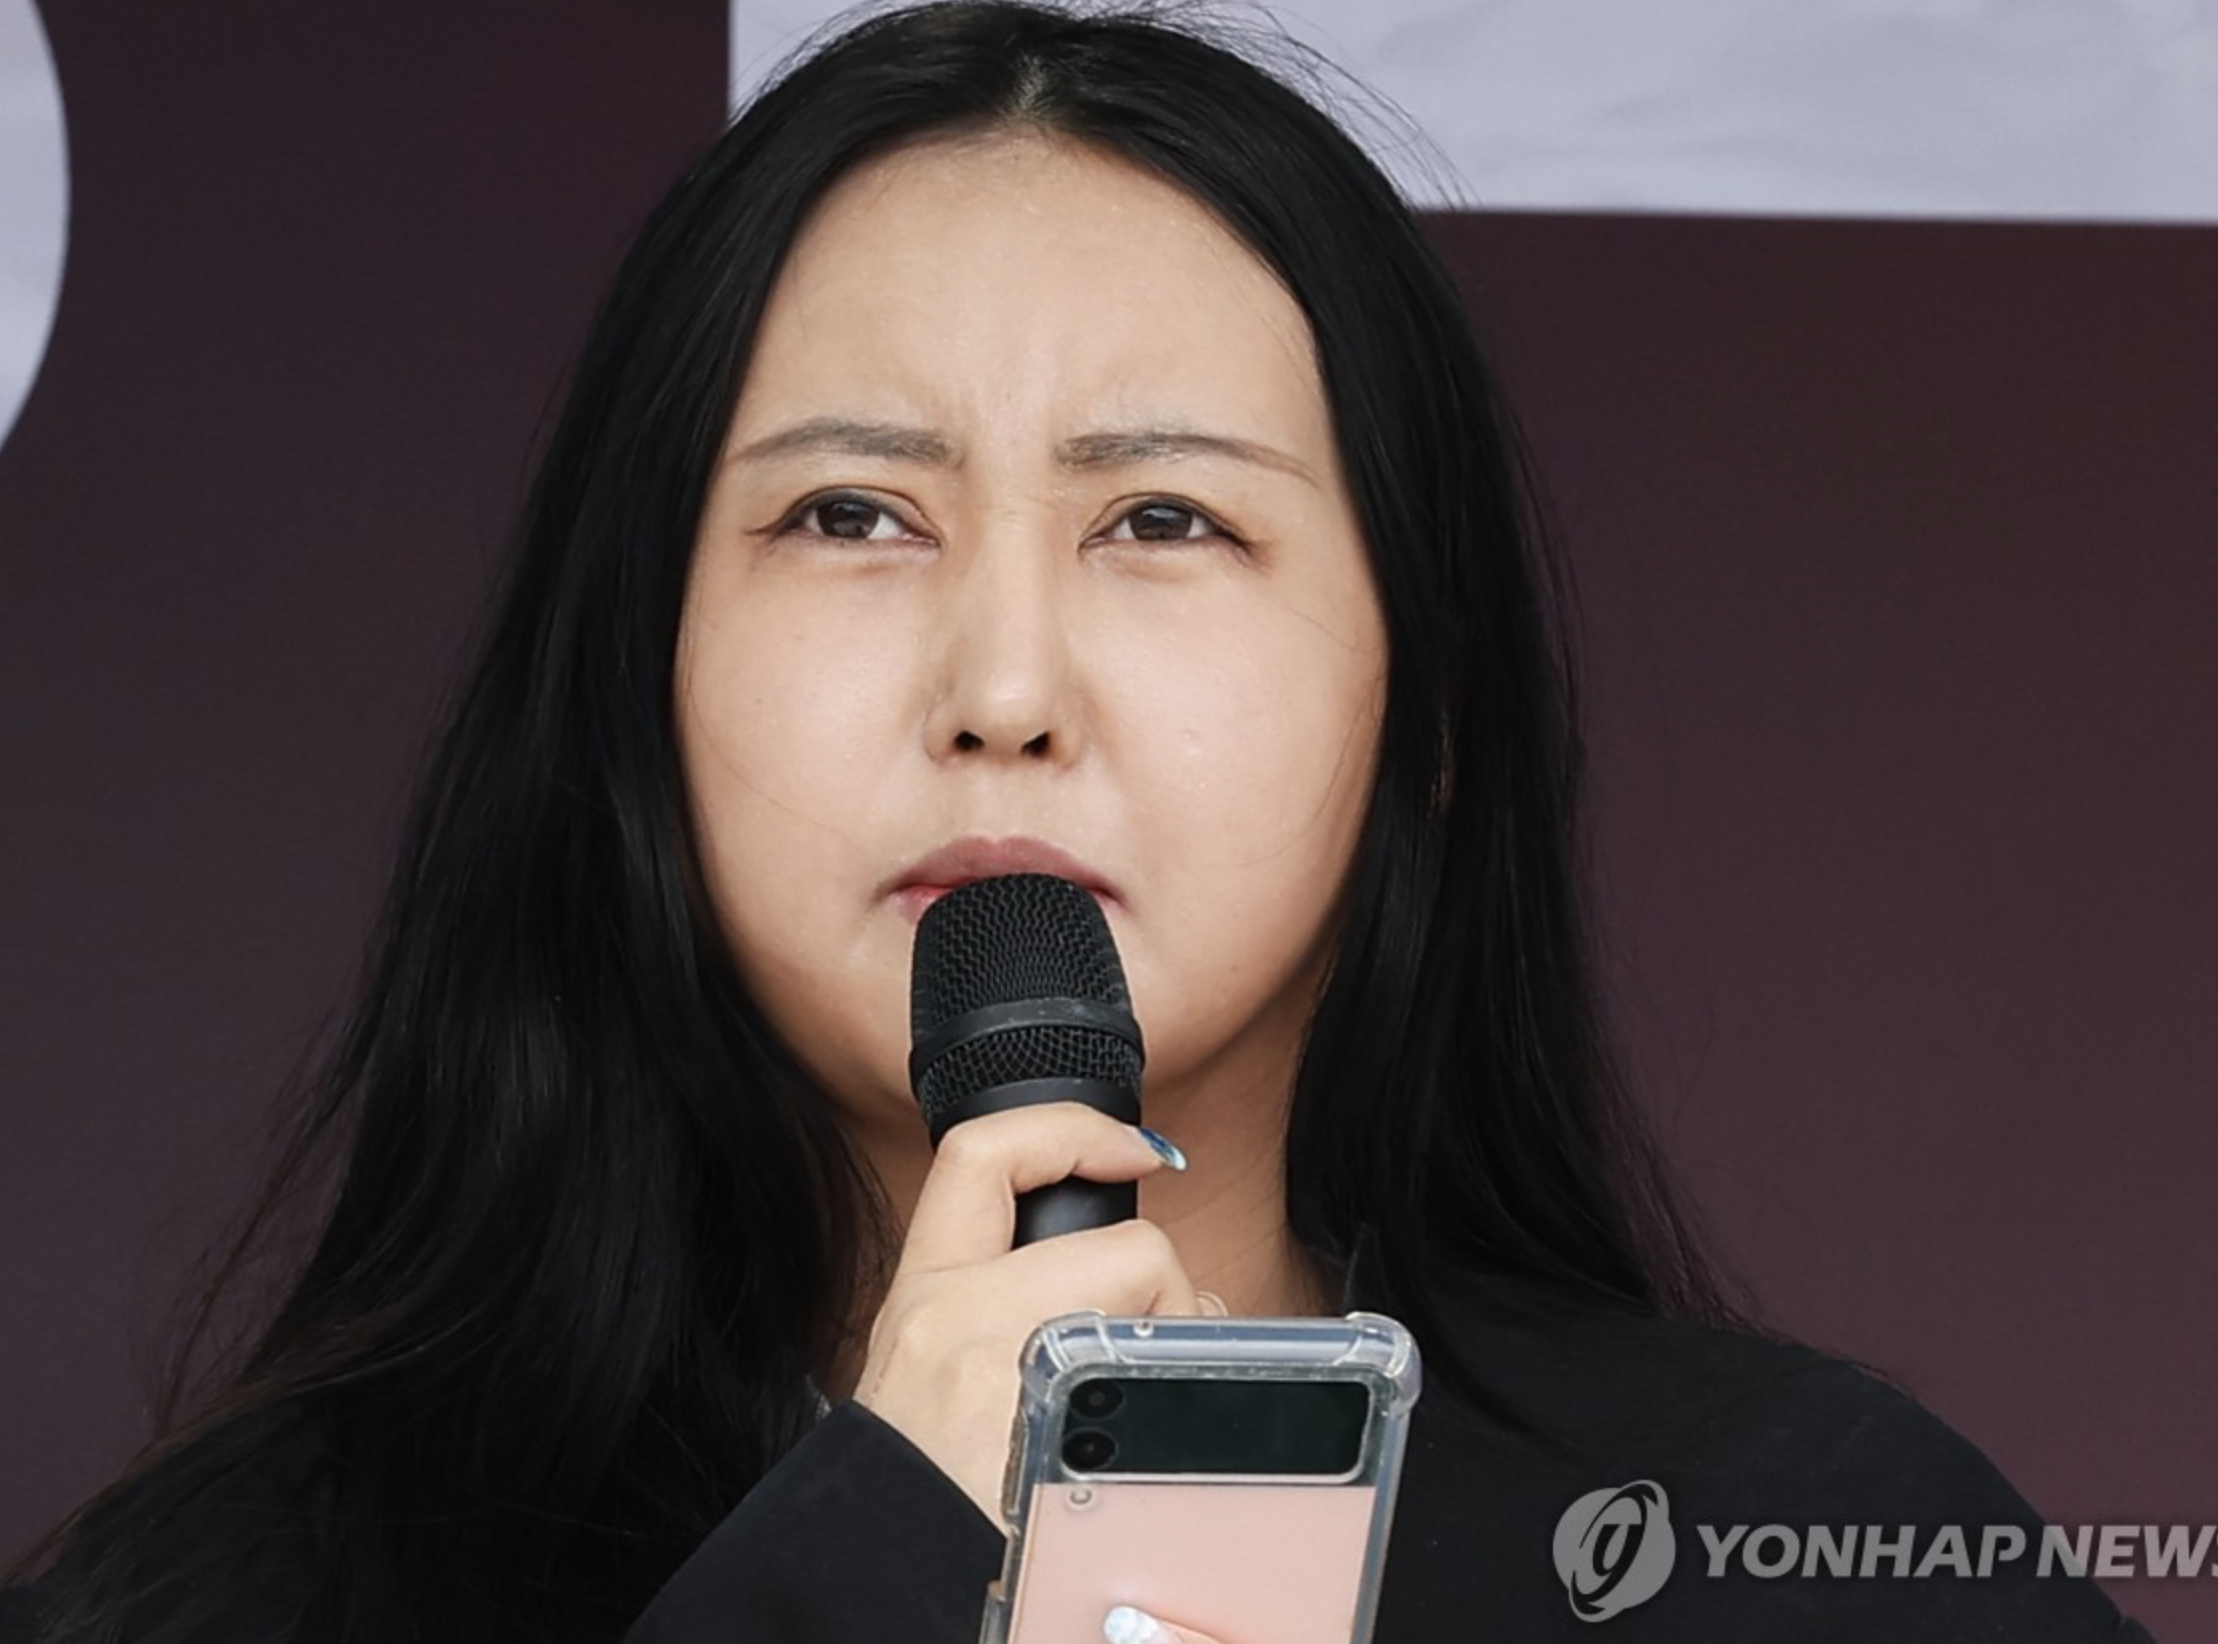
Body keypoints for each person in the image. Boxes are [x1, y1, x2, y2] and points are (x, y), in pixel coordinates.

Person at [0, 3, 2158, 1641]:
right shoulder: (241, 1591)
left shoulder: (1780, 1547)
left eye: (1163, 519)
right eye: (852, 515)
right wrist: (860, 1554)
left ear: (1421, 707)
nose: (1005, 690)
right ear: (634, 674)